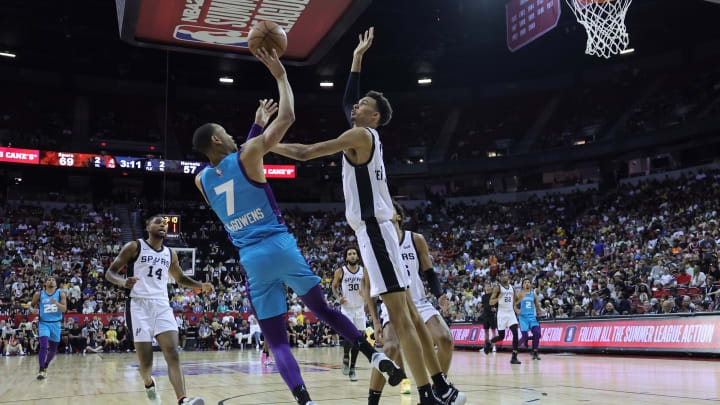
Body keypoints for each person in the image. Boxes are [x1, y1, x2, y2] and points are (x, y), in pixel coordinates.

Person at [192, 47, 403, 405]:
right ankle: (377, 357)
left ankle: (305, 401)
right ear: (216, 140)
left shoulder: (200, 180)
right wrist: (280, 76)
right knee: (323, 311)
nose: (232, 137)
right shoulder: (247, 153)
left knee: (277, 342)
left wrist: (256, 128)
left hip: (251, 259)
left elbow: (238, 160)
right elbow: (283, 120)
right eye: (225, 133)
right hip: (280, 246)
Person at [270, 27, 464, 405]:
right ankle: (440, 386)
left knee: (400, 316)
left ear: (372, 115)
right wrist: (357, 58)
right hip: (377, 231)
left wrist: (266, 145)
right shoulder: (367, 135)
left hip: (374, 232)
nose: (353, 107)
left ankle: (427, 394)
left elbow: (309, 152)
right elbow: (347, 101)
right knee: (406, 309)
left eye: (361, 106)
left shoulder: (360, 136)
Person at [105, 215, 213, 405]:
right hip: (138, 305)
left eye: (165, 224)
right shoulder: (134, 247)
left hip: (162, 305)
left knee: (172, 352)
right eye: (158, 223)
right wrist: (123, 282)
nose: (163, 225)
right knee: (146, 363)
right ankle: (148, 384)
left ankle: (183, 400)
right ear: (148, 227)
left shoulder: (170, 254)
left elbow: (180, 279)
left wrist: (200, 285)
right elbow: (110, 272)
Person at [362, 202, 456, 404]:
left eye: (389, 210)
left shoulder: (415, 239)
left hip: (419, 302)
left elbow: (429, 273)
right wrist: (376, 322)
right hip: (392, 305)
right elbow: (368, 287)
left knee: (446, 339)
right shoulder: (375, 244)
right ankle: (372, 401)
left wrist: (440, 295)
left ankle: (437, 390)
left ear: (397, 216)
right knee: (390, 349)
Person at [332, 247, 366, 381]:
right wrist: (337, 297)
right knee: (349, 334)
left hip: (360, 307)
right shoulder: (341, 271)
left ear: (357, 256)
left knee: (358, 338)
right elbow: (334, 286)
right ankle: (346, 356)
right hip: (347, 308)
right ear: (346, 258)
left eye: (354, 254)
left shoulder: (364, 271)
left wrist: (365, 291)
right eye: (349, 254)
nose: (352, 256)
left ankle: (352, 368)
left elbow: (369, 285)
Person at [29, 276, 66, 380]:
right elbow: (31, 306)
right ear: (45, 283)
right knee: (44, 346)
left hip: (56, 324)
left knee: (53, 349)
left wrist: (56, 303)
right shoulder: (39, 294)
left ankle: (45, 365)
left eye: (53, 280)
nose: (51, 281)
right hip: (44, 323)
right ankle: (41, 369)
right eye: (49, 280)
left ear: (56, 284)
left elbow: (64, 309)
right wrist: (32, 310)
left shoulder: (61, 294)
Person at [487, 272, 521, 364]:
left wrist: (516, 308)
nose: (504, 277)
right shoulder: (498, 288)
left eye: (506, 275)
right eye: (502, 276)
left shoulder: (512, 288)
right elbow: (491, 302)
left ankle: (514, 357)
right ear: (500, 278)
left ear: (508, 277)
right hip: (501, 314)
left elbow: (515, 300)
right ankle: (489, 342)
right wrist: (498, 298)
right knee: (501, 337)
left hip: (510, 314)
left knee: (515, 332)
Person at [516, 279, 544, 361]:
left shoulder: (533, 294)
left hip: (532, 317)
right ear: (522, 285)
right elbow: (514, 304)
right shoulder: (520, 294)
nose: (527, 284)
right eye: (525, 283)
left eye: (528, 282)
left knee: (537, 333)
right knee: (525, 336)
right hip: (523, 318)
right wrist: (516, 310)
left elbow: (537, 305)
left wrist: (540, 311)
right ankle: (515, 349)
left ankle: (535, 352)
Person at [481, 283, 498, 353]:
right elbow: (482, 305)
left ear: (491, 288)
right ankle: (486, 346)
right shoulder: (483, 296)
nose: (487, 288)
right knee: (486, 331)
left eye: (488, 286)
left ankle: (494, 346)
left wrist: (495, 309)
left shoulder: (493, 296)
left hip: (492, 316)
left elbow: (497, 305)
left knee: (493, 331)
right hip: (485, 316)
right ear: (484, 288)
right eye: (486, 286)